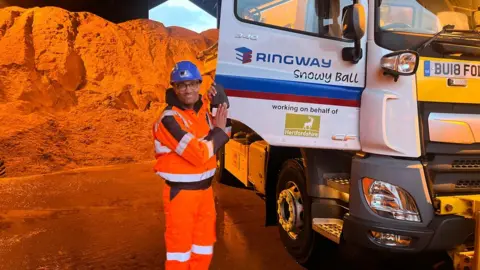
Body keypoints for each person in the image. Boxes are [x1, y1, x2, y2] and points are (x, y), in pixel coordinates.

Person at [152, 60, 231, 270]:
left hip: (205, 193)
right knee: (180, 253)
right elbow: (197, 154)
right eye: (182, 85)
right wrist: (219, 133)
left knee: (203, 248)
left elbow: (225, 135)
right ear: (174, 88)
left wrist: (220, 106)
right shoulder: (168, 120)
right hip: (181, 196)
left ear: (199, 84)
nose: (188, 90)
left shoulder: (203, 112)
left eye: (192, 84)